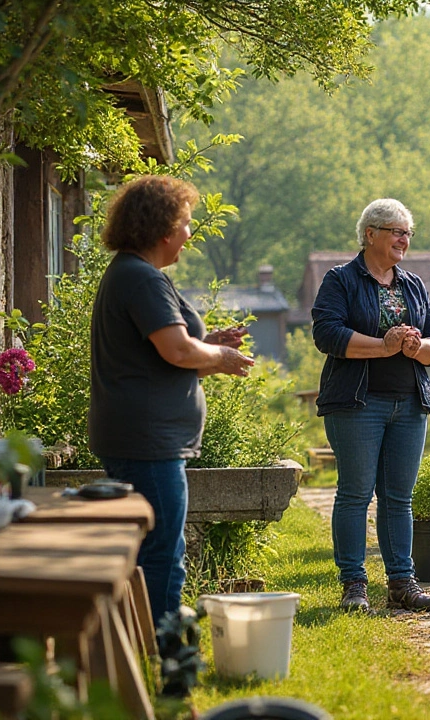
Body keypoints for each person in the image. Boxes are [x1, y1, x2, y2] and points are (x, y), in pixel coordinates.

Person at [89, 175, 255, 624]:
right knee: (162, 549)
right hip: (148, 442)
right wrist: (217, 354)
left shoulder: (134, 273)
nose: (189, 233)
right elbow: (178, 351)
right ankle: (163, 650)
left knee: (154, 545)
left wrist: (210, 342)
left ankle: (145, 644)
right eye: (185, 223)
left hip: (141, 437)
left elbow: (166, 353)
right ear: (163, 230)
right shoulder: (142, 279)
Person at [311, 198, 430, 613]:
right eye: (396, 231)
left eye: (408, 233)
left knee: (399, 497)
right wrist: (383, 346)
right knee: (355, 494)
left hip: (409, 402)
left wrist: (416, 346)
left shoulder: (413, 284)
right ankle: (354, 585)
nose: (404, 240)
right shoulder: (341, 280)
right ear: (370, 234)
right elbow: (327, 335)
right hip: (357, 403)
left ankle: (401, 584)